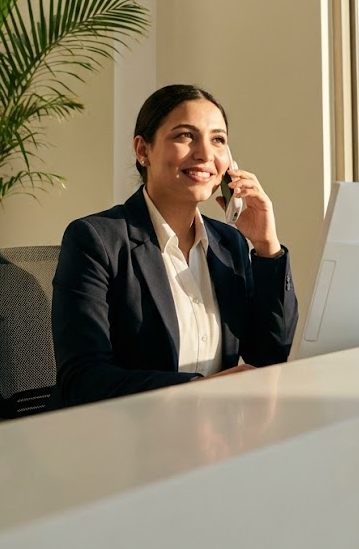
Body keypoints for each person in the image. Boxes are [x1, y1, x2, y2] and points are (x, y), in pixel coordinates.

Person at [51, 83, 297, 407]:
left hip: (212, 440)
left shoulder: (230, 243)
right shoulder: (95, 240)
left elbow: (268, 357)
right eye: (185, 136)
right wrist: (200, 391)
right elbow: (83, 380)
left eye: (218, 139)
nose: (206, 154)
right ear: (142, 150)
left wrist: (267, 247)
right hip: (123, 441)